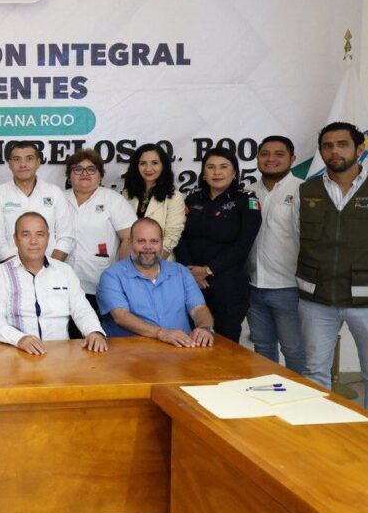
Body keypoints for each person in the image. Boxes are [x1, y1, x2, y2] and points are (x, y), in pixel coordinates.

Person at [295, 122, 368, 418]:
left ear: (359, 149)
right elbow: (297, 240)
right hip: (318, 300)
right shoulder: (306, 191)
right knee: (314, 374)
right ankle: (317, 435)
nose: (334, 151)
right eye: (327, 146)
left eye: (342, 144)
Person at [0, 212, 108, 354]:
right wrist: (19, 339)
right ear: (15, 239)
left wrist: (94, 331)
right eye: (26, 235)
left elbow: (82, 309)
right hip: (16, 352)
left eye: (40, 234)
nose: (33, 241)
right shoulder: (1, 274)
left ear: (48, 238)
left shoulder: (64, 271)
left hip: (59, 354)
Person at [175, 147, 261, 343]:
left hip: (228, 285)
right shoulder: (193, 198)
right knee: (190, 341)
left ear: (234, 172)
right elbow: (179, 236)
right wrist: (191, 271)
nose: (217, 172)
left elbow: (243, 245)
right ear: (203, 173)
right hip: (192, 283)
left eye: (223, 167)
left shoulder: (246, 200)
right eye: (211, 167)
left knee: (226, 344)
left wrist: (207, 270)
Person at [97, 218, 216, 347]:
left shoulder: (181, 272)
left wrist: (204, 328)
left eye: (154, 241)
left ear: (161, 243)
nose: (148, 247)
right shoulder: (112, 276)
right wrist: (161, 333)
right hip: (131, 352)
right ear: (130, 243)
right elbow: (121, 316)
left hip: (181, 349)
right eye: (141, 241)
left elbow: (198, 308)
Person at [246, 136, 305, 372]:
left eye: (279, 154)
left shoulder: (303, 190)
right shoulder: (248, 192)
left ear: (292, 158)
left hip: (289, 287)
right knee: (262, 348)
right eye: (265, 154)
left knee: (294, 350)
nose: (271, 159)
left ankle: (300, 395)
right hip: (253, 286)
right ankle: (270, 393)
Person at [63, 149, 136, 317]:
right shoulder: (58, 198)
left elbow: (129, 239)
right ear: (69, 175)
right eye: (78, 169)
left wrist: (121, 277)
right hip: (62, 282)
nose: (84, 174)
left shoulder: (113, 200)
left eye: (91, 169)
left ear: (100, 175)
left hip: (100, 283)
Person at [0, 140, 74, 263]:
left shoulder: (54, 192)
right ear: (10, 164)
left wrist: (51, 268)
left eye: (29, 159)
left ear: (38, 162)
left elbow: (65, 237)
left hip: (52, 266)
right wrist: (21, 271)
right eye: (17, 159)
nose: (23, 164)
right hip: (12, 268)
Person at [121, 143, 186, 259]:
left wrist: (151, 263)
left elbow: (172, 236)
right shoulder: (127, 194)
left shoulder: (175, 197)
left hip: (159, 260)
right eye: (143, 163)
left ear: (163, 165)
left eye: (155, 163)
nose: (148, 168)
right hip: (129, 259)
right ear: (136, 166)